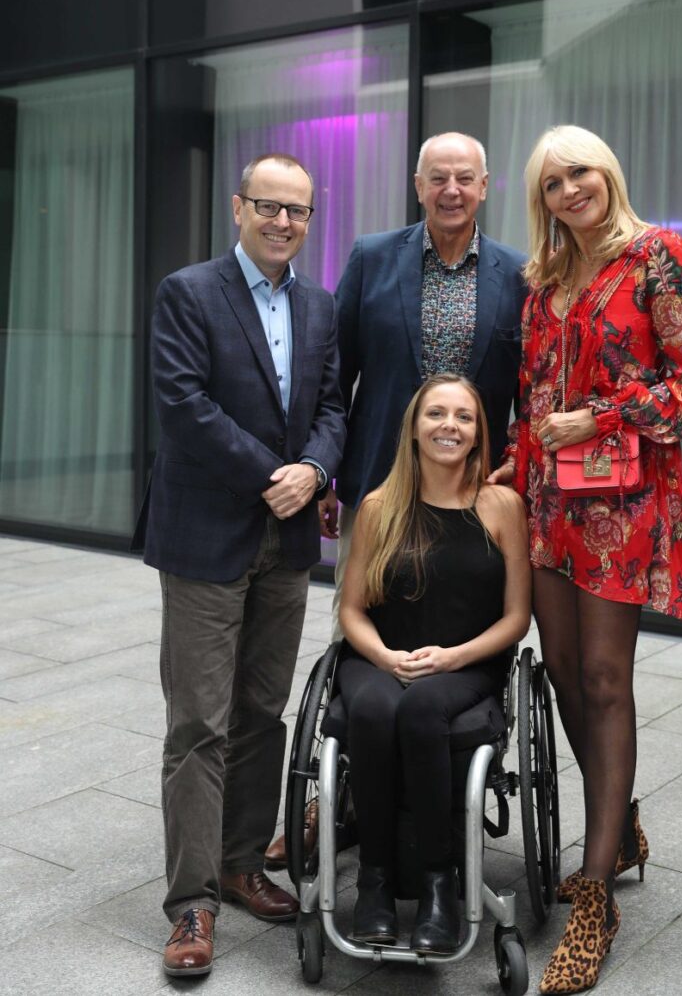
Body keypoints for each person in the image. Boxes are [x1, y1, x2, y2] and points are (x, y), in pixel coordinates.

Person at [263, 131, 526, 873]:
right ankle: (342, 798)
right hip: (380, 481)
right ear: (417, 185)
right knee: (371, 628)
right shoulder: (374, 256)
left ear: (484, 187)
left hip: (472, 497)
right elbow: (333, 375)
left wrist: (514, 464)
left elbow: (529, 386)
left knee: (453, 622)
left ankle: (431, 790)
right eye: (436, 177)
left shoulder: (515, 273)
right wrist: (329, 472)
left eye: (463, 178)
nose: (450, 189)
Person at [490, 125, 682, 995]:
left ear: (606, 171)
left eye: (577, 172)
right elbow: (534, 391)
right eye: (550, 183)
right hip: (549, 501)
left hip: (623, 501)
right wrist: (520, 451)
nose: (568, 191)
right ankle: (620, 827)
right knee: (562, 676)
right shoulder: (542, 278)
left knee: (604, 678)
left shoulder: (658, 255)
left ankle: (594, 894)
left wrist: (604, 417)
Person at [133, 153, 345, 978]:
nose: (284, 221)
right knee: (198, 724)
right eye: (269, 206)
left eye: (298, 210)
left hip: (286, 541)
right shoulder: (188, 292)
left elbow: (333, 406)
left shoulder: (319, 306)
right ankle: (191, 903)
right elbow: (184, 405)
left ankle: (240, 860)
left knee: (261, 711)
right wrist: (276, 476)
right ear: (238, 207)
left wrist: (318, 471)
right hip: (207, 534)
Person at [337, 373, 530, 954]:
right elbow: (350, 610)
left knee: (423, 709)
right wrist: (386, 658)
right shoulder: (379, 505)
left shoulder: (502, 506)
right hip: (381, 656)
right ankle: (374, 881)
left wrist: (452, 657)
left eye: (464, 417)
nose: (449, 425)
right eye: (436, 414)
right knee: (371, 710)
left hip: (468, 663)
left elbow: (516, 619)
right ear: (414, 428)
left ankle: (437, 882)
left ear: (477, 434)